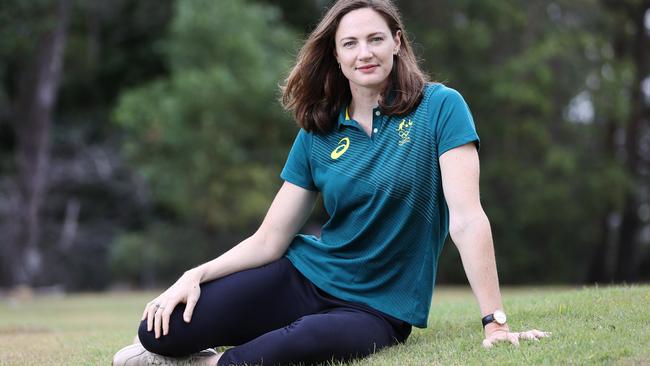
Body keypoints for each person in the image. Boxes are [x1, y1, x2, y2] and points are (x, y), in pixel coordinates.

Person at [112, 0, 550, 365]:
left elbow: (468, 219)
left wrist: (495, 322)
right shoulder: (317, 133)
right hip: (307, 275)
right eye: (351, 43)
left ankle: (210, 363)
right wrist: (194, 274)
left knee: (292, 344)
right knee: (158, 330)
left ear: (397, 43)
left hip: (376, 309)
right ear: (337, 56)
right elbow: (270, 239)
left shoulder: (441, 107)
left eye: (376, 39)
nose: (365, 52)